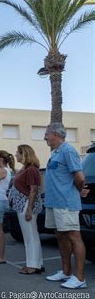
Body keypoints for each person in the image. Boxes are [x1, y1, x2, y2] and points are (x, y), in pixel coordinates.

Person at [44, 123, 87, 289]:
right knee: (60, 237)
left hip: (66, 203)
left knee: (73, 237)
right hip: (54, 203)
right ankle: (66, 272)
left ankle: (80, 278)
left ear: (55, 134)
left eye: (47, 134)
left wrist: (75, 192)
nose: (45, 137)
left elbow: (80, 177)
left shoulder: (68, 151)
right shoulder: (56, 153)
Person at [9, 144, 43, 274]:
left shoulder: (31, 170)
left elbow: (33, 190)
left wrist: (29, 209)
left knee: (30, 236)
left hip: (26, 204)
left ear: (24, 154)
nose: (16, 155)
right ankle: (37, 263)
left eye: (17, 152)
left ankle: (32, 266)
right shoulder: (25, 168)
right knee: (32, 235)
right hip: (23, 205)